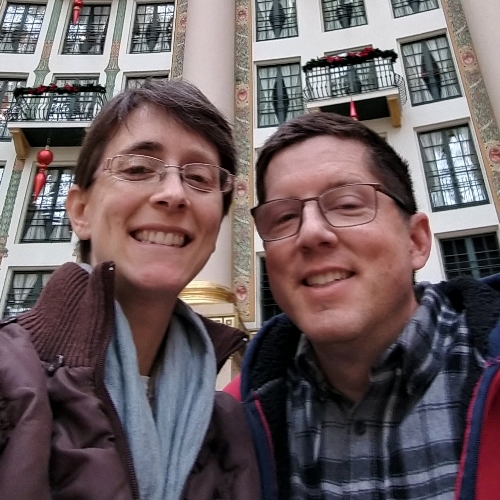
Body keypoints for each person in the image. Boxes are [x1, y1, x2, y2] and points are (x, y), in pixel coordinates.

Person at [0, 80, 260, 500]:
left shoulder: (231, 430)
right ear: (80, 211)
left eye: (199, 178)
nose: (174, 194)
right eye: (138, 169)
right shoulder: (9, 381)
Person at [231, 113, 500, 500]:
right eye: (284, 217)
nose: (311, 233)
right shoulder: (234, 421)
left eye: (347, 204)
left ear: (416, 241)